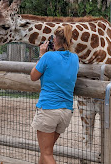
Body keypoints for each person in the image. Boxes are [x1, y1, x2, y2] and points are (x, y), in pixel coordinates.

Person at [30, 25, 79, 164]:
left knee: (47, 154)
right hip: (66, 111)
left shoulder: (48, 57)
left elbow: (33, 76)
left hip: (48, 109)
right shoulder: (75, 59)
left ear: (55, 40)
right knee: (46, 150)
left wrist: (41, 55)